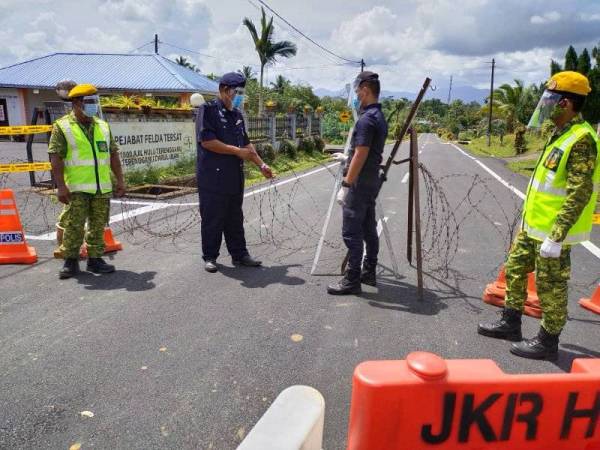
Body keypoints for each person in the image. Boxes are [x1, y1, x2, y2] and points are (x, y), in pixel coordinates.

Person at [478, 71, 600, 360]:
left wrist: (557, 237)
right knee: (515, 269)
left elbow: (579, 193)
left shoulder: (582, 139)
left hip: (553, 234)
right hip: (533, 227)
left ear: (567, 103)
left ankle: (548, 341)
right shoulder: (559, 133)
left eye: (551, 100)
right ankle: (511, 322)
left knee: (551, 287)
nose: (545, 105)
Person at [196, 72, 273, 273]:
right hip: (212, 177)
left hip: (233, 177)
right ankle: (210, 256)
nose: (239, 96)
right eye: (236, 92)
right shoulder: (208, 110)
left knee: (234, 218)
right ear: (223, 90)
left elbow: (246, 143)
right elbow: (207, 141)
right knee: (213, 217)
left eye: (242, 93)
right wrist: (236, 151)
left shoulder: (237, 115)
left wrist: (261, 164)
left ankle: (240, 254)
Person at [48, 83, 126, 279]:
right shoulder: (62, 126)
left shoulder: (103, 126)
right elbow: (55, 157)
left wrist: (120, 181)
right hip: (77, 187)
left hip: (102, 187)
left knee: (98, 225)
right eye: (88, 101)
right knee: (74, 225)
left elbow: (113, 155)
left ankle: (95, 259)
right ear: (75, 102)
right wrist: (61, 186)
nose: (93, 106)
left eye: (94, 101)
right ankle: (71, 261)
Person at [327, 71, 388, 295]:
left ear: (365, 89)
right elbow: (365, 152)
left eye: (357, 90)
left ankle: (351, 280)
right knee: (368, 228)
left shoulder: (366, 119)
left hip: (360, 183)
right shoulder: (378, 117)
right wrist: (347, 157)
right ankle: (368, 272)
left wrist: (345, 185)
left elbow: (361, 154)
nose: (356, 95)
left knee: (351, 232)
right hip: (372, 180)